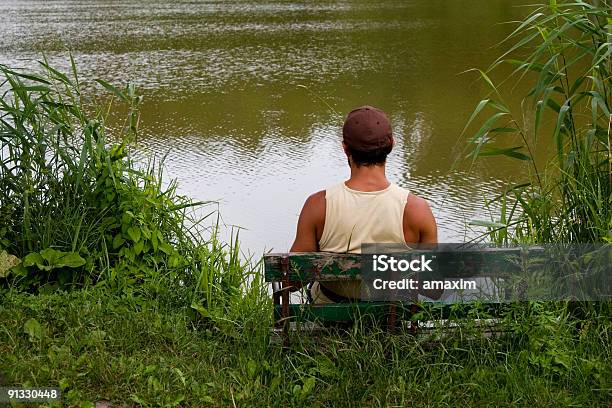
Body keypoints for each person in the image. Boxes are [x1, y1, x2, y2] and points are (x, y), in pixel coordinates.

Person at [289, 105, 439, 303]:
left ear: (345, 148)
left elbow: (292, 281)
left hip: (330, 320)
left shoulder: (318, 205)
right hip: (393, 321)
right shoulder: (417, 209)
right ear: (392, 145)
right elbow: (434, 289)